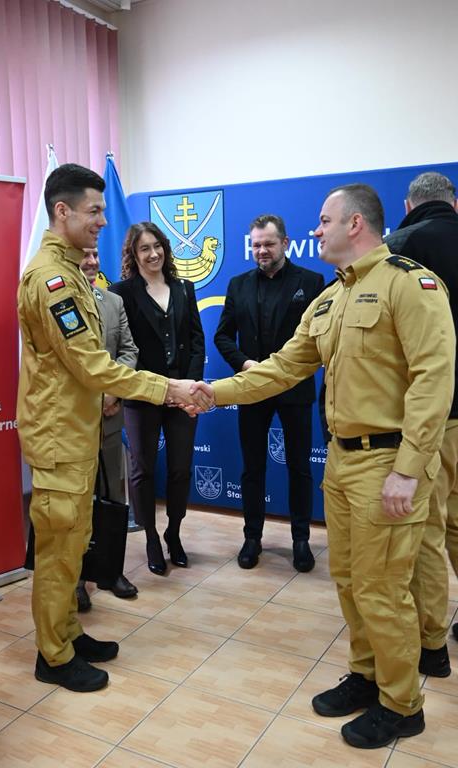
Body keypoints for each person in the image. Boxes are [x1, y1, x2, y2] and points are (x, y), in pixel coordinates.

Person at [189, 184, 455, 750]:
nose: (316, 230)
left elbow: (434, 379)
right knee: (352, 582)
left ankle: (401, 704)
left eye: (324, 220)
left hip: (389, 462)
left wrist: (409, 469)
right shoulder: (331, 298)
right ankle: (366, 675)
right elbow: (284, 367)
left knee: (384, 590)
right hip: (342, 461)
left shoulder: (410, 284)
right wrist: (215, 392)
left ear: (355, 224)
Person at [18, 164, 205, 693]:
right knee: (59, 551)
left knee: (75, 541)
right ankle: (53, 655)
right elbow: (92, 366)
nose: (103, 220)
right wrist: (169, 388)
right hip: (57, 435)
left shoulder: (72, 271)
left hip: (74, 431)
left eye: (103, 210)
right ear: (62, 211)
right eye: (94, 211)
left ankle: (68, 633)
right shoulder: (51, 280)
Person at [214, 214, 324, 572]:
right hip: (252, 388)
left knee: (300, 468)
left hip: (295, 388)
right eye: (256, 244)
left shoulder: (312, 281)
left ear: (285, 244)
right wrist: (245, 364)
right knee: (253, 468)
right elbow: (223, 335)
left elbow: (318, 338)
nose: (262, 250)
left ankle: (301, 540)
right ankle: (252, 538)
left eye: (268, 244)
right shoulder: (238, 284)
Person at [385, 171, 458, 666]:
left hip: (438, 416)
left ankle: (431, 643)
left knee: (429, 529)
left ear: (408, 205)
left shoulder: (403, 246)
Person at [110, 222, 205, 576]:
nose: (153, 254)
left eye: (157, 246)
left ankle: (173, 533)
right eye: (144, 249)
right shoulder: (121, 292)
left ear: (165, 248)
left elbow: (196, 340)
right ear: (133, 256)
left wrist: (189, 385)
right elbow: (122, 347)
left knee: (180, 468)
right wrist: (147, 387)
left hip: (183, 394)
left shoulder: (184, 288)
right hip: (142, 394)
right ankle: (150, 537)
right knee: (142, 469)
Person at [76, 247, 139, 610]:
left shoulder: (113, 301)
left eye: (96, 255)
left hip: (111, 415)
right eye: (84, 255)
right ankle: (77, 579)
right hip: (74, 421)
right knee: (79, 501)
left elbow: (128, 351)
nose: (92, 261)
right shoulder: (58, 302)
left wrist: (112, 393)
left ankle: (112, 572)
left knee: (114, 498)